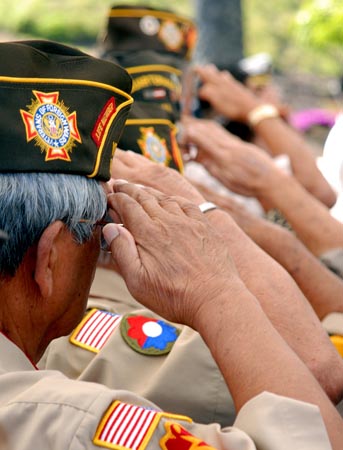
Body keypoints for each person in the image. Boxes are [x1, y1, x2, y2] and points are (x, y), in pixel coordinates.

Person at [1, 39, 342, 450]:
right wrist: (215, 281)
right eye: (97, 224)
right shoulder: (60, 420)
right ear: (49, 258)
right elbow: (317, 379)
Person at [185, 63, 337, 209]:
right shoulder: (224, 168)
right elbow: (321, 193)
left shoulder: (278, 158)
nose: (274, 92)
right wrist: (255, 110)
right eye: (258, 90)